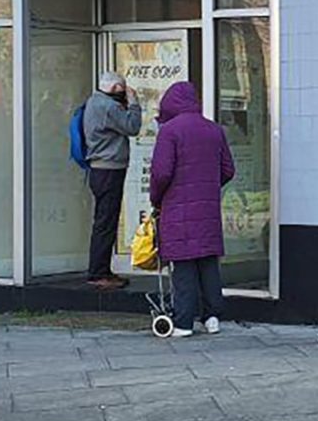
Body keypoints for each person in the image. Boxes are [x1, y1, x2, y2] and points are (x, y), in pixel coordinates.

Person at [147, 81, 237, 337]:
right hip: (208, 208)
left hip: (177, 207)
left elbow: (161, 173)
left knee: (184, 263)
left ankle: (184, 322)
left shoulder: (169, 131)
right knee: (208, 261)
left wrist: (157, 199)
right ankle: (212, 318)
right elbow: (228, 170)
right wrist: (208, 186)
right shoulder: (214, 130)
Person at [82, 72, 142, 289]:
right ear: (116, 87)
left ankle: (101, 270)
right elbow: (133, 127)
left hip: (99, 170)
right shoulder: (109, 107)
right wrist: (134, 103)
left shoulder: (93, 102)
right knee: (106, 223)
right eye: (123, 88)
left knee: (103, 221)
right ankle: (98, 273)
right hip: (109, 170)